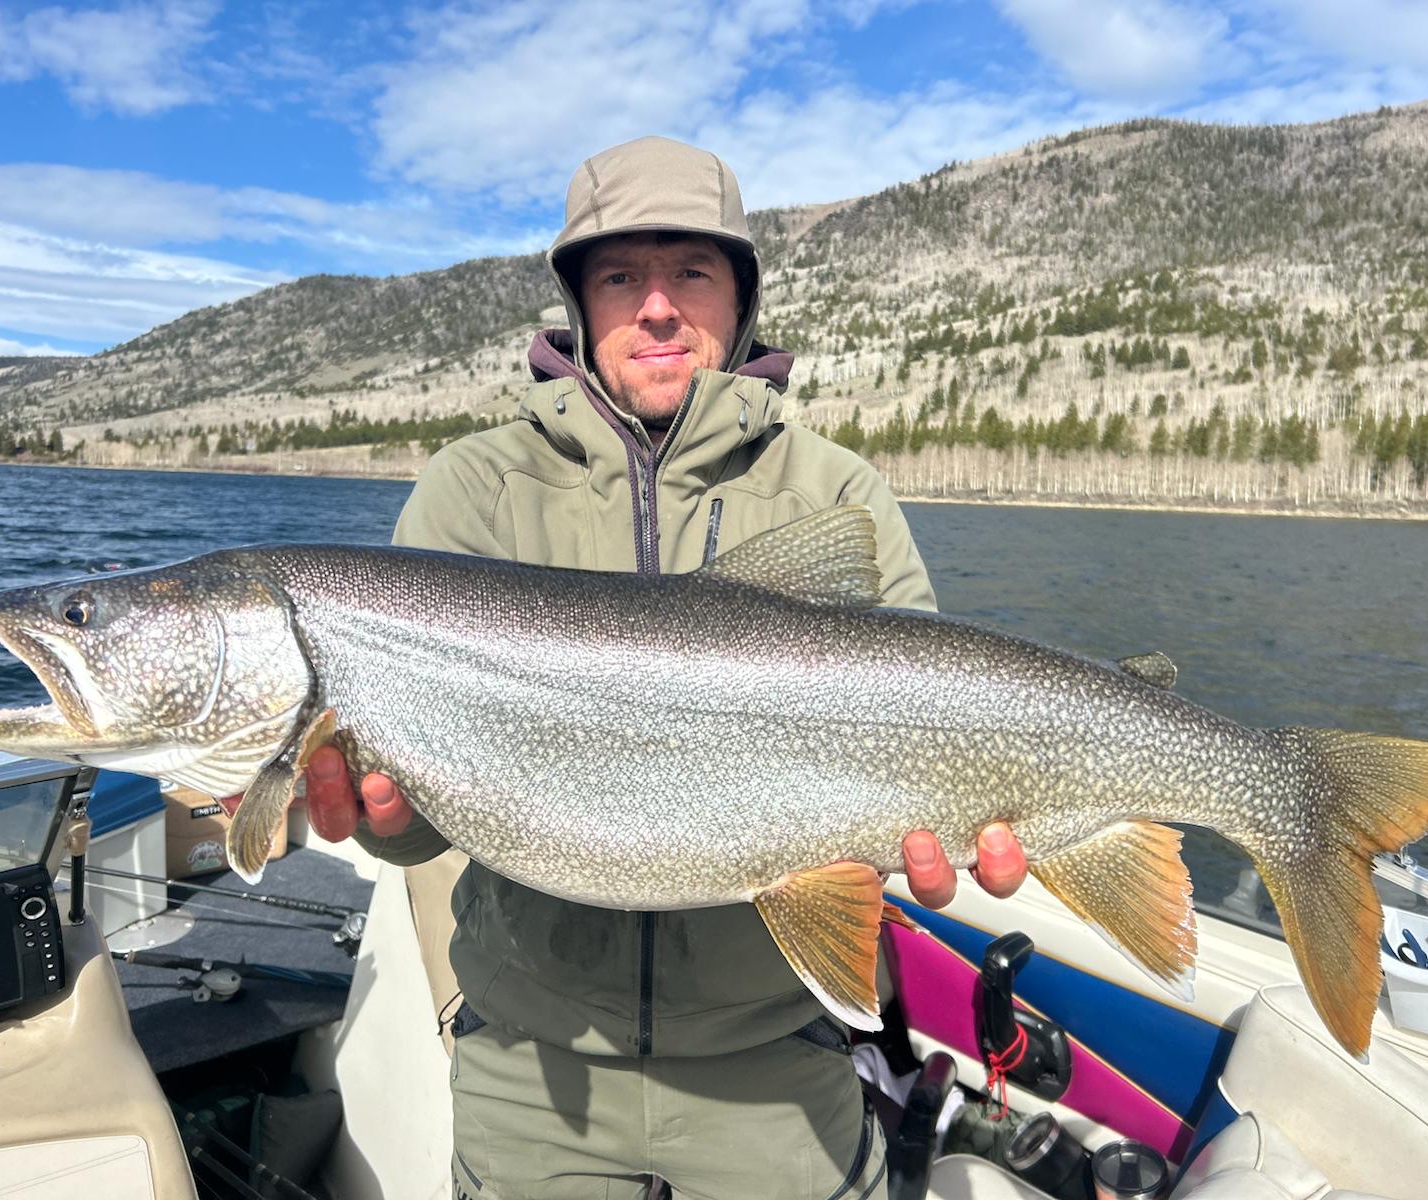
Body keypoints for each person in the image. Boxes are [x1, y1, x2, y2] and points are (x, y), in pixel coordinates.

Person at [302, 136, 1027, 1199]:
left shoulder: (835, 489)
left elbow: (915, 720)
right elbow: (414, 824)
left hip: (783, 1064)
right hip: (534, 1069)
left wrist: (949, 828)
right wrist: (379, 812)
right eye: (619, 275)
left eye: (690, 272)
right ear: (579, 303)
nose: (655, 306)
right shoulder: (473, 488)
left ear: (739, 301)